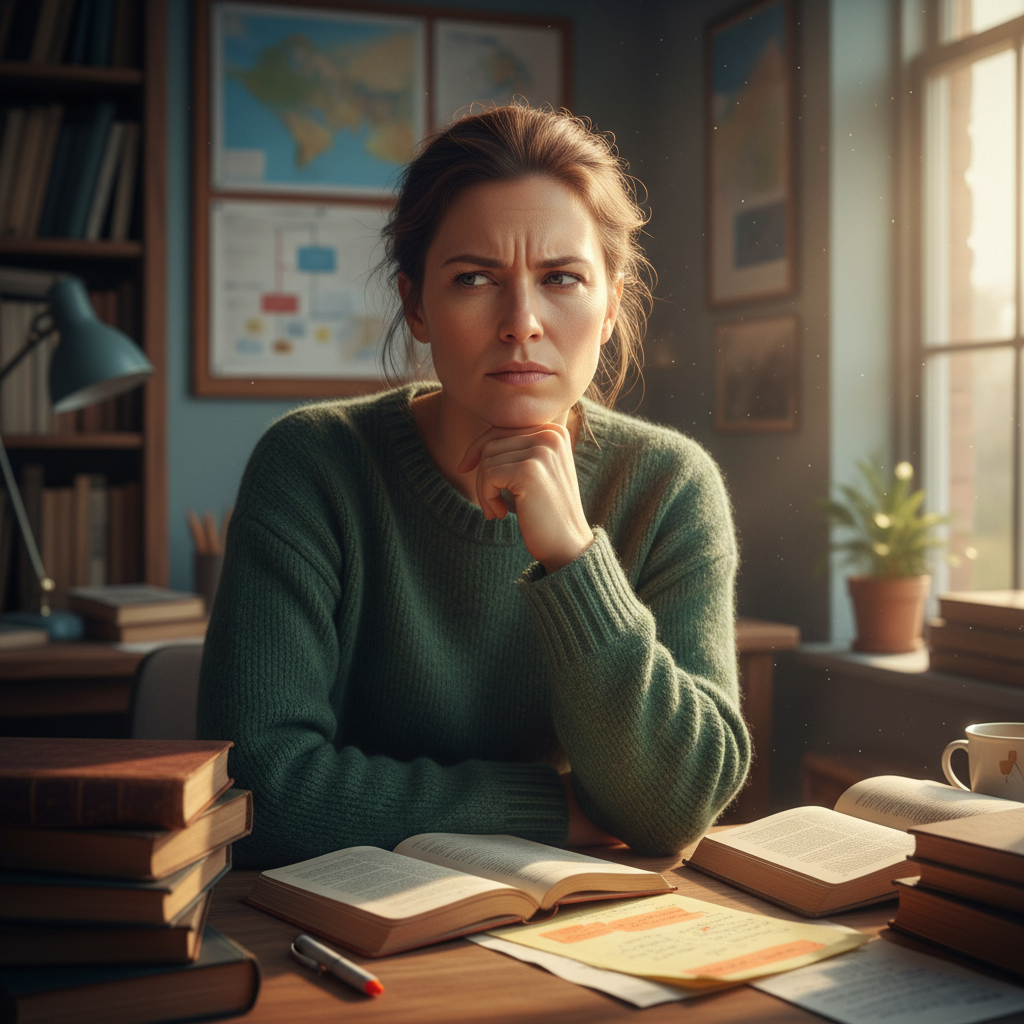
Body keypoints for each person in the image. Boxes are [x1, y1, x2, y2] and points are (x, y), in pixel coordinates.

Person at [197, 104, 750, 868]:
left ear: (612, 305)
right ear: (417, 305)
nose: (521, 321)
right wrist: (552, 809)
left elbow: (678, 804)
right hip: (344, 931)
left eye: (561, 278)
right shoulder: (313, 464)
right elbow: (261, 791)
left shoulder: (669, 487)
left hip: (571, 925)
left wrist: (572, 556)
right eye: (474, 279)